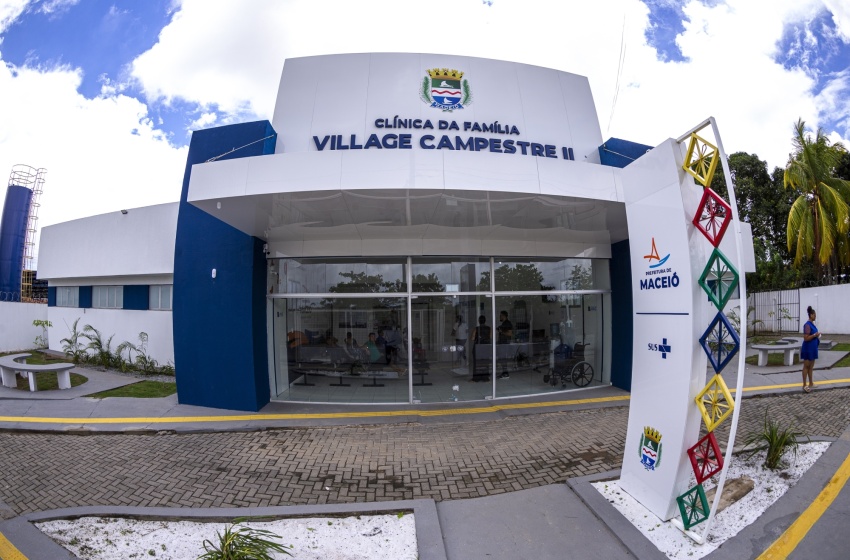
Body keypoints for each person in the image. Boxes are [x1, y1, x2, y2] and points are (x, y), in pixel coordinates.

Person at [801, 306, 821, 393]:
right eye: (814, 315)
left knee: (811, 367)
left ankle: (811, 383)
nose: (815, 317)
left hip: (813, 348)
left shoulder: (812, 324)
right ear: (811, 315)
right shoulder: (807, 325)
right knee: (806, 366)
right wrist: (814, 335)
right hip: (808, 348)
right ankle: (804, 384)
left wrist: (817, 335)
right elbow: (806, 338)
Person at [469, 315, 492, 382]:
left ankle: (476, 378)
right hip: (486, 347)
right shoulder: (489, 328)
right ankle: (485, 378)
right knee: (485, 362)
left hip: (478, 347)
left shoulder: (476, 328)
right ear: (485, 321)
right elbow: (490, 337)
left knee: (476, 363)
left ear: (479, 321)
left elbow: (472, 338)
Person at [496, 310, 513, 379]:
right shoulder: (504, 323)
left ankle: (506, 373)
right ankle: (504, 372)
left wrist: (501, 332)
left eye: (500, 315)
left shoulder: (508, 323)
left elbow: (510, 333)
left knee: (503, 358)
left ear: (503, 316)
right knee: (501, 358)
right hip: (502, 343)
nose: (499, 317)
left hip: (505, 343)